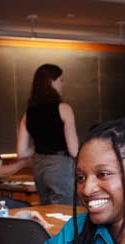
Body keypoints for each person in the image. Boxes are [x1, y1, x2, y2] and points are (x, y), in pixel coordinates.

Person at [17, 64, 79, 205]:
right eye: (61, 80)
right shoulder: (64, 109)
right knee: (65, 211)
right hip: (60, 165)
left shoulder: (28, 113)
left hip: (39, 166)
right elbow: (74, 150)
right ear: (52, 82)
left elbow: (21, 152)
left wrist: (40, 144)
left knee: (47, 210)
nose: (63, 84)